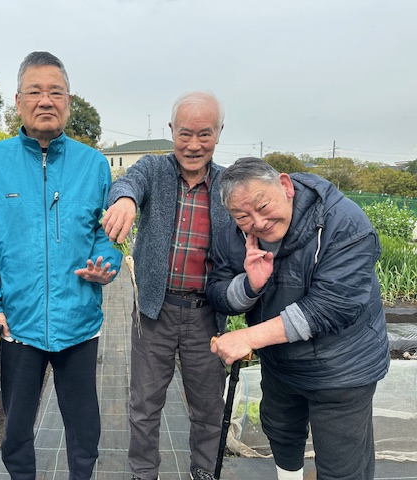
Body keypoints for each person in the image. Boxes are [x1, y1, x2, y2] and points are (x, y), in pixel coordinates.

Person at [0, 51, 122, 480]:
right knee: (16, 426)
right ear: (18, 101)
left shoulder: (93, 164)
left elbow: (106, 233)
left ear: (68, 101)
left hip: (78, 319)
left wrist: (106, 264)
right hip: (17, 322)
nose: (46, 100)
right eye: (35, 92)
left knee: (84, 427)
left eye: (56, 92)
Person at [206, 157, 390, 480]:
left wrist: (248, 337)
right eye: (242, 216)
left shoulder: (342, 222)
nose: (258, 222)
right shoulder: (235, 236)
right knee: (281, 433)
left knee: (342, 462)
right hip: (280, 364)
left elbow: (330, 307)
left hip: (341, 369)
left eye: (263, 206)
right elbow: (218, 292)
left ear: (285, 186)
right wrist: (251, 286)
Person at [102, 91, 230, 480]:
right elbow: (129, 183)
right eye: (185, 133)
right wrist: (125, 200)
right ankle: (144, 473)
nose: (193, 145)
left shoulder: (227, 184)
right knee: (144, 404)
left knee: (208, 407)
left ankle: (204, 470)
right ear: (172, 130)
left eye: (204, 134)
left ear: (219, 133)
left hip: (206, 315)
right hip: (155, 311)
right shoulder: (153, 169)